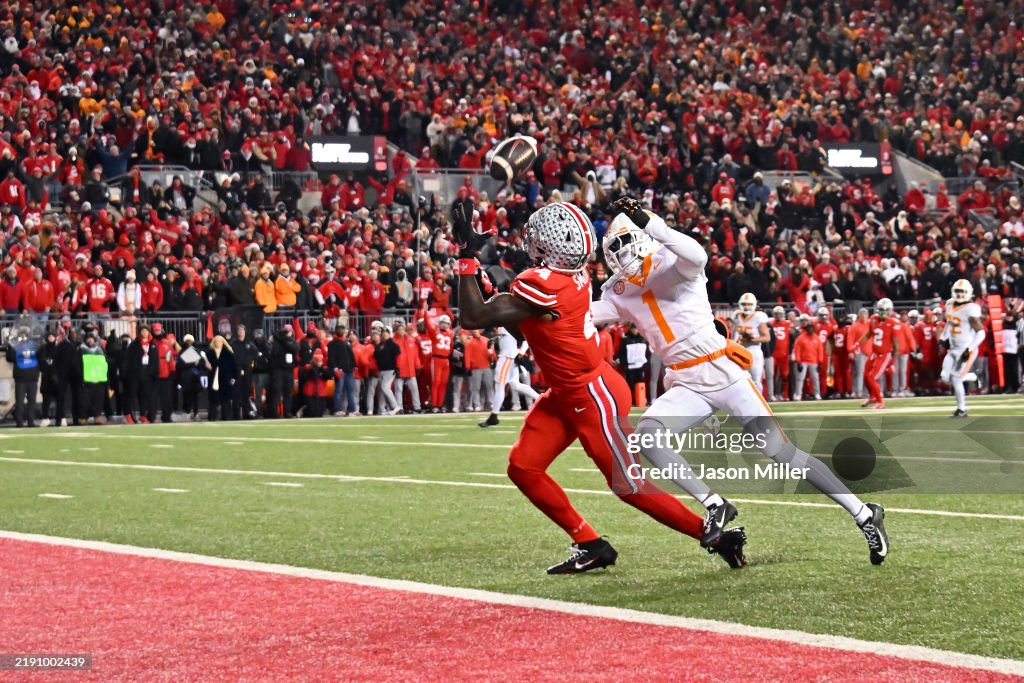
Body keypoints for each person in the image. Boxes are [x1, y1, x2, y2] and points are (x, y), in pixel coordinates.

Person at [594, 198, 889, 565]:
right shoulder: (619, 291)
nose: (622, 259)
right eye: (615, 252)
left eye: (626, 246)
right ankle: (714, 503)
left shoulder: (675, 261)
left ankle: (864, 513)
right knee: (648, 438)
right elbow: (583, 316)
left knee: (781, 453)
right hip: (685, 382)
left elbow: (697, 255)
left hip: (723, 371)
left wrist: (648, 220)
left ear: (645, 236)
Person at [456, 200, 730, 574]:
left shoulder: (539, 284)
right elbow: (524, 324)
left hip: (591, 393)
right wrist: (487, 283)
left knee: (628, 484)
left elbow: (473, 316)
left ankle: (713, 534)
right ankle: (590, 543)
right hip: (567, 392)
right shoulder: (570, 276)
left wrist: (466, 258)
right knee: (523, 467)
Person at [939, 280, 986, 418]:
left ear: (969, 293)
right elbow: (949, 323)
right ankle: (973, 376)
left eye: (962, 292)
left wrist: (969, 349)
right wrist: (943, 338)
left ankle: (961, 409)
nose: (959, 294)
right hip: (953, 348)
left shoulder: (971, 308)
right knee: (944, 377)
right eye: (957, 291)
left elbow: (981, 333)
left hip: (966, 348)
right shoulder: (949, 304)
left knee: (955, 378)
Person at [480, 326, 538, 427]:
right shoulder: (504, 325)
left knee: (500, 386)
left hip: (507, 358)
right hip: (509, 357)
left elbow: (527, 338)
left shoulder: (510, 323)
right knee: (516, 385)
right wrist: (494, 340)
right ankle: (540, 398)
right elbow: (507, 340)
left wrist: (521, 353)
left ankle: (494, 416)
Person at [859, 299, 902, 411]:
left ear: (890, 310)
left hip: (884, 355)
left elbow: (896, 344)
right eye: (881, 310)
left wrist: (894, 360)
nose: (883, 313)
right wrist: (858, 343)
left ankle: (880, 401)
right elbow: (869, 334)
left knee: (871, 377)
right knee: (865, 376)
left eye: (885, 310)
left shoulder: (893, 323)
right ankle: (872, 397)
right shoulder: (873, 319)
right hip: (874, 353)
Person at [732, 292, 770, 394]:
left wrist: (752, 339)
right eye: (744, 304)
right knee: (739, 380)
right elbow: (734, 335)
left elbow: (767, 337)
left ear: (753, 304)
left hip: (754, 350)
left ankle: (758, 406)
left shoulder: (758, 316)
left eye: (749, 304)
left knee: (756, 381)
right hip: (740, 350)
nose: (746, 306)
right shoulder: (737, 316)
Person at [6, 325, 40, 427]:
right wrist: (10, 347)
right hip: (21, 378)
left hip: (31, 377)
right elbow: (10, 358)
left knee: (31, 402)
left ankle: (30, 421)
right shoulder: (16, 346)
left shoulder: (34, 345)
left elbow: (41, 356)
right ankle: (20, 422)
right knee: (20, 402)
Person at [126, 325, 160, 423]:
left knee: (144, 395)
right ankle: (129, 415)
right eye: (143, 331)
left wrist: (154, 372)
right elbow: (129, 359)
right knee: (132, 395)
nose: (144, 333)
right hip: (136, 373)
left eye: (146, 331)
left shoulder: (152, 344)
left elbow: (155, 360)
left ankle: (142, 415)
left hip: (148, 373)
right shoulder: (134, 344)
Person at [267, 325, 298, 418]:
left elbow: (295, 349)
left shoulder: (290, 341)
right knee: (277, 391)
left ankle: (287, 412)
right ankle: (274, 412)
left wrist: (284, 340)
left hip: (289, 370)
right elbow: (274, 353)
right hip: (279, 370)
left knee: (288, 392)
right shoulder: (277, 342)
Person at [204, 335, 236, 420]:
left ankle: (226, 416)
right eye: (217, 341)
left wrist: (233, 377)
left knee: (226, 398)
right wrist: (206, 366)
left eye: (220, 341)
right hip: (213, 377)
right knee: (213, 398)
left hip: (225, 378)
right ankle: (212, 416)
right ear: (214, 342)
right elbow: (204, 364)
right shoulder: (209, 352)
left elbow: (233, 366)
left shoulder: (228, 352)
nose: (218, 343)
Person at [79, 332, 108, 424]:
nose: (90, 340)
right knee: (84, 401)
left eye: (91, 338)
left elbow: (105, 362)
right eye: (88, 338)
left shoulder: (100, 349)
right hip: (86, 379)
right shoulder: (81, 349)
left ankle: (97, 417)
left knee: (98, 400)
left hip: (99, 379)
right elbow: (77, 364)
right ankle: (83, 418)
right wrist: (80, 376)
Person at [792, 315, 823, 401]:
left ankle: (817, 394)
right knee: (800, 378)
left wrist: (820, 362)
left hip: (814, 361)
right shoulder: (800, 338)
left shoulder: (817, 338)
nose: (810, 329)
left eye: (811, 328)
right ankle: (798, 394)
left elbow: (820, 351)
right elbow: (797, 350)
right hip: (803, 361)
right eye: (808, 328)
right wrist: (798, 362)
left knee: (815, 379)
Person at [328, 326, 357, 416]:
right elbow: (331, 357)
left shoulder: (346, 342)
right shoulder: (332, 343)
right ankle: (337, 409)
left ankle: (352, 410)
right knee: (339, 391)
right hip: (340, 370)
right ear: (336, 331)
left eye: (343, 330)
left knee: (350, 391)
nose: (342, 331)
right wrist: (335, 368)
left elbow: (351, 355)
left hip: (348, 370)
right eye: (340, 330)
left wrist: (354, 366)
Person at [392, 323, 421, 414]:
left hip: (410, 368)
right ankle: (399, 408)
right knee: (398, 390)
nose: (402, 331)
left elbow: (415, 354)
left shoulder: (411, 340)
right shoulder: (393, 341)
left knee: (414, 389)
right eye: (399, 329)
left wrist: (417, 365)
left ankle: (417, 407)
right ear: (396, 331)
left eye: (402, 329)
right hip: (399, 369)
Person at [152, 323, 178, 423]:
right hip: (154, 373)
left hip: (165, 373)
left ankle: (167, 416)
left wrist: (172, 370)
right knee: (152, 397)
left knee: (166, 397)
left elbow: (170, 358)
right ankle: (151, 416)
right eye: (155, 331)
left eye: (158, 330)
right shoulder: (151, 343)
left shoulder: (167, 343)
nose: (157, 332)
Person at [373, 326, 401, 415]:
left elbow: (398, 356)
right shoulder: (380, 344)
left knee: (385, 387)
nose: (384, 334)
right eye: (383, 332)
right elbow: (375, 356)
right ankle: (384, 409)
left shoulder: (393, 344)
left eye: (387, 332)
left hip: (390, 369)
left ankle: (395, 406)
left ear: (390, 334)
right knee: (382, 390)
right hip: (381, 370)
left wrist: (397, 367)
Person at [765, 306, 791, 401]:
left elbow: (792, 338)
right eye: (776, 313)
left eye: (780, 313)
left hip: (784, 353)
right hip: (773, 353)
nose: (778, 315)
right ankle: (772, 393)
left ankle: (784, 393)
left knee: (785, 375)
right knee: (772, 374)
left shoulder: (788, 324)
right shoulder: (770, 324)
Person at [177, 334, 204, 420]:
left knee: (196, 396)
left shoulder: (197, 351)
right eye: (187, 341)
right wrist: (192, 363)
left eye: (190, 340)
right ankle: (187, 412)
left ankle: (196, 413)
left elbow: (201, 363)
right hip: (186, 377)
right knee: (187, 396)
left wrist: (198, 363)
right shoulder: (181, 352)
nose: (189, 342)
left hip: (195, 377)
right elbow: (180, 365)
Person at [232, 325, 257, 419]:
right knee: (236, 393)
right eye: (239, 330)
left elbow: (255, 354)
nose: (241, 332)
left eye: (242, 330)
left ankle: (247, 413)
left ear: (245, 331)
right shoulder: (233, 344)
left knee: (247, 392)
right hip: (236, 370)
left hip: (247, 371)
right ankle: (236, 415)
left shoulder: (249, 343)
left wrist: (249, 363)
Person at [299, 349, 331, 417]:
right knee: (312, 412)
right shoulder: (308, 367)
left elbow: (329, 376)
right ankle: (303, 411)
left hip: (321, 392)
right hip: (310, 391)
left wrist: (321, 368)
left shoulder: (324, 368)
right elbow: (305, 376)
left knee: (319, 413)